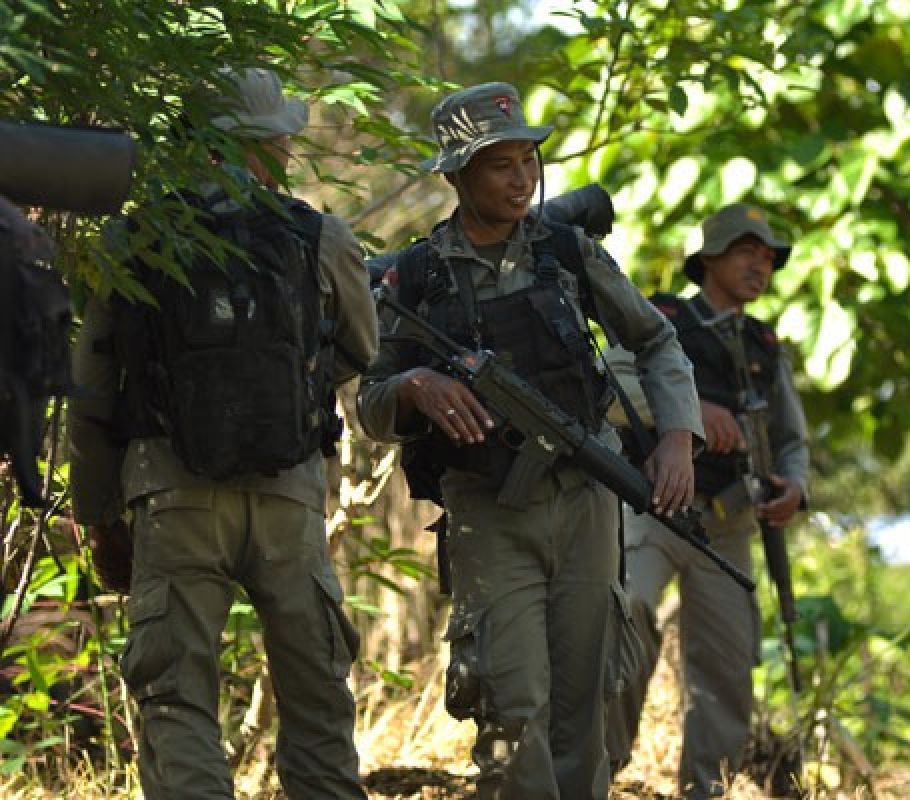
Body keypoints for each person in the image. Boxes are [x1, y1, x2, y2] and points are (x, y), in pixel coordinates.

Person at [356, 82, 702, 800]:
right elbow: (372, 403)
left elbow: (658, 340)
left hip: (585, 502)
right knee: (513, 711)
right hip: (488, 513)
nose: (522, 180)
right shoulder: (415, 277)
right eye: (500, 165)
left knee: (585, 706)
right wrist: (418, 386)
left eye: (528, 161)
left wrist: (677, 438)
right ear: (456, 175)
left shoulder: (569, 255)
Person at [68, 67, 377, 799]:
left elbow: (91, 387)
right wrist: (283, 392)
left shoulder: (133, 238)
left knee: (175, 699)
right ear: (258, 147)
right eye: (279, 141)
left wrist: (96, 510)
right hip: (288, 492)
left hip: (171, 493)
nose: (286, 154)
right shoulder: (318, 235)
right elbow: (362, 352)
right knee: (316, 697)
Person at [605, 203, 811, 799]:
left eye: (769, 258)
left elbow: (792, 440)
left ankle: (707, 790)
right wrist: (690, 414)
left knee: (727, 668)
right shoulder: (661, 318)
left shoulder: (763, 344)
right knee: (627, 619)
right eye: (748, 252)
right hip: (655, 508)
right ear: (710, 258)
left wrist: (794, 488)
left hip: (730, 523)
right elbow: (608, 385)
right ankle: (597, 772)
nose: (760, 265)